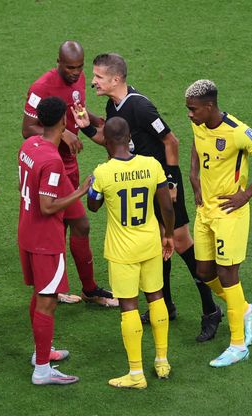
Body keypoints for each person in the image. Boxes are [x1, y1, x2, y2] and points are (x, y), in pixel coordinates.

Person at [72, 53, 221, 342]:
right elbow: (109, 140)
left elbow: (171, 141)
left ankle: (210, 310)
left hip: (163, 185)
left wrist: (172, 182)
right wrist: (85, 125)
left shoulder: (140, 106)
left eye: (98, 77)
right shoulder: (113, 105)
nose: (93, 82)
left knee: (181, 245)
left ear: (116, 79)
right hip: (143, 184)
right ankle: (164, 305)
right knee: (158, 246)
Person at [185, 79, 252, 367]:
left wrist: (246, 194)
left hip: (230, 212)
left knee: (228, 274)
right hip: (206, 211)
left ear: (209, 106)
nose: (189, 115)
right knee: (203, 271)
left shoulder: (238, 132)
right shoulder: (199, 124)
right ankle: (245, 309)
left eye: (193, 109)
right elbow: (196, 144)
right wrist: (193, 175)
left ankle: (238, 345)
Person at [22, 41, 117, 307]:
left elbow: (77, 110)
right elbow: (27, 128)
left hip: (70, 164)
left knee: (67, 225)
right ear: (58, 62)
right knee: (77, 224)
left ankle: (69, 288)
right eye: (70, 67)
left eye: (79, 67)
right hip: (52, 167)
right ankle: (80, 289)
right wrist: (61, 132)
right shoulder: (40, 88)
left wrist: (97, 120)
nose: (76, 73)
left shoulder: (79, 79)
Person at [88, 117, 175, 389]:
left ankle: (136, 374)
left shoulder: (103, 172)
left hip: (122, 250)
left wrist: (93, 186)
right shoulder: (151, 165)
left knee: (129, 307)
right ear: (128, 137)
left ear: (107, 140)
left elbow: (92, 206)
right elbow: (168, 208)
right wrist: (169, 235)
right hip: (150, 243)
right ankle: (162, 361)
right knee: (156, 298)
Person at [18, 96, 91, 385]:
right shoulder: (51, 159)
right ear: (63, 120)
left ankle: (42, 353)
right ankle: (42, 370)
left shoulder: (28, 147)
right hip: (45, 240)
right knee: (47, 301)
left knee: (39, 294)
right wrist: (80, 191)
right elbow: (47, 205)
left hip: (26, 231)